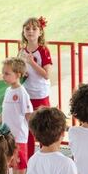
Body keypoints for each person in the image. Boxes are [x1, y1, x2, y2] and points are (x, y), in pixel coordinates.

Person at [18, 16, 54, 154]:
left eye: (34, 28)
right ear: (23, 32)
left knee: (43, 126)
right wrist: (22, 73)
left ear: (40, 32)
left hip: (40, 94)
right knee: (28, 127)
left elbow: (46, 74)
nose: (30, 31)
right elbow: (19, 71)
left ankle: (45, 155)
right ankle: (30, 157)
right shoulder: (22, 51)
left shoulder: (43, 51)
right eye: (27, 29)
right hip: (26, 94)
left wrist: (32, 63)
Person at [0, 57, 34, 174]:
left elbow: (28, 113)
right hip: (7, 134)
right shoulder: (8, 91)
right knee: (11, 161)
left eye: (7, 73)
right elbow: (4, 112)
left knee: (20, 162)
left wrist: (34, 128)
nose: (4, 76)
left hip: (19, 135)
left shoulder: (21, 92)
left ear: (18, 74)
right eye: (3, 73)